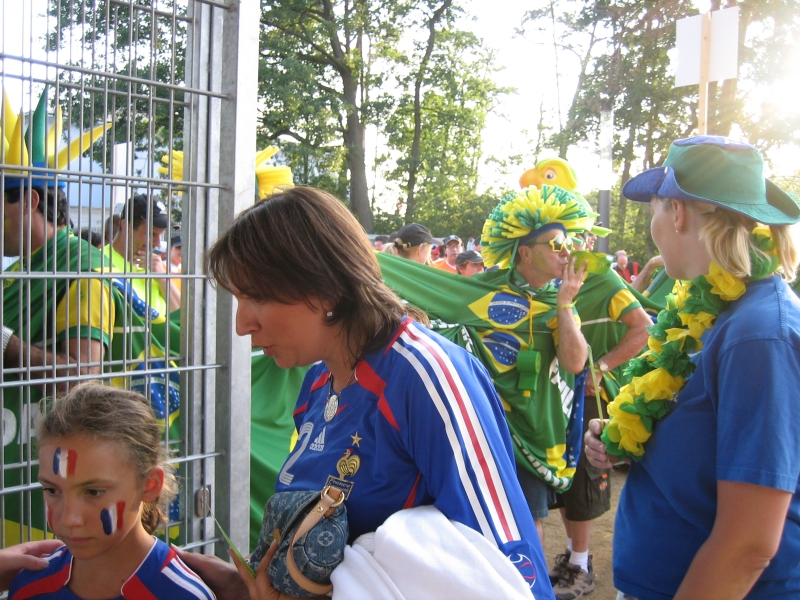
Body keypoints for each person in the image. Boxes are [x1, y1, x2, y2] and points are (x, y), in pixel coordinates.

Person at [178, 186, 555, 600]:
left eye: (258, 297)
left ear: (326, 287)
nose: (242, 325)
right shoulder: (316, 385)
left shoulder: (426, 376)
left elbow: (505, 569)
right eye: (238, 299)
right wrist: (246, 584)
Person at [584, 136, 800, 600]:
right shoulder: (707, 310)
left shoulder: (758, 335)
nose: (654, 227)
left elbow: (749, 545)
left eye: (654, 212)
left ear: (678, 213)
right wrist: (626, 440)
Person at [8, 383, 215, 599]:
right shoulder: (29, 587)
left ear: (149, 485)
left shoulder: (183, 595)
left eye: (94, 492)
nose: (69, 519)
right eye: (52, 490)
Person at [549, 202, 651, 600]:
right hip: (557, 395)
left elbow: (644, 328)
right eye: (558, 241)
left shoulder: (605, 280)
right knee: (563, 476)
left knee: (583, 480)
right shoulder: (550, 281)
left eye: (573, 239)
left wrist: (602, 367)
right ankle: (574, 556)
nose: (566, 248)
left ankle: (581, 565)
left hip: (591, 398)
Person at [104, 194, 180, 314]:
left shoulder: (155, 266)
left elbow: (182, 315)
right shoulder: (101, 262)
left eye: (161, 235)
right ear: (126, 227)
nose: (158, 243)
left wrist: (162, 278)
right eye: (151, 234)